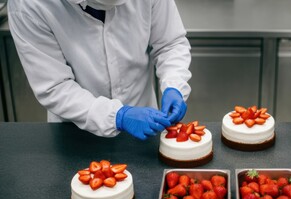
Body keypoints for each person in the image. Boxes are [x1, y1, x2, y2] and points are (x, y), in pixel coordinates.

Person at [8, 0, 191, 140]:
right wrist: (117, 116)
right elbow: (55, 86)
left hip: (146, 127)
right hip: (75, 132)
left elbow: (170, 43)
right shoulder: (29, 5)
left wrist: (174, 85)